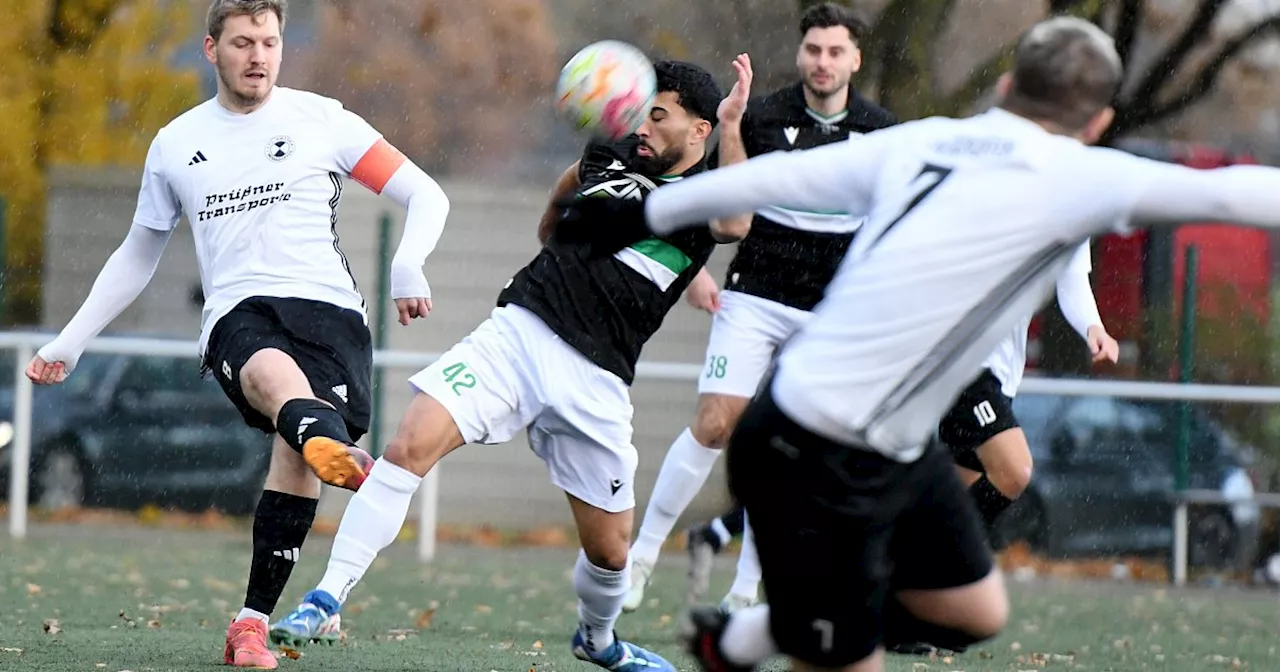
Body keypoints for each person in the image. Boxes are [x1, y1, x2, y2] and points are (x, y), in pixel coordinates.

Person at [560, 15, 1280, 672]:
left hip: (888, 448)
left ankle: (755, 634)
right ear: (1097, 122)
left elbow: (775, 177)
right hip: (812, 441)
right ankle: (765, 632)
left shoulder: (920, 139)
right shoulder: (1082, 171)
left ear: (1005, 85)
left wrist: (638, 210)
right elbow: (1230, 195)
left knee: (974, 611)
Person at [268, 59, 751, 672]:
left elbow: (737, 222)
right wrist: (553, 238)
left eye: (659, 117)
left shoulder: (705, 193)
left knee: (611, 553)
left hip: (597, 378)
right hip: (518, 332)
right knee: (407, 448)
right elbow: (566, 187)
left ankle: (598, 639)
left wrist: (735, 124)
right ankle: (324, 600)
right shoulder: (610, 150)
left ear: (700, 130)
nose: (643, 128)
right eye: (640, 112)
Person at [26, 1, 450, 668]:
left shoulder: (323, 120)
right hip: (238, 311)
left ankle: (249, 625)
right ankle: (322, 440)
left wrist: (407, 264)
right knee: (269, 378)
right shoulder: (174, 143)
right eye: (243, 42)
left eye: (270, 42)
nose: (258, 55)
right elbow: (140, 252)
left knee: (297, 452)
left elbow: (426, 194)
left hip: (331, 315)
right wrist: (70, 340)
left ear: (282, 48)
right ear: (211, 49)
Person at [624, 1, 897, 616]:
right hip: (756, 296)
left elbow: (892, 224)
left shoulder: (883, 132)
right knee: (717, 424)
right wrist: (731, 127)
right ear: (801, 53)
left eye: (835, 51)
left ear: (855, 58)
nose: (822, 62)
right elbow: (722, 204)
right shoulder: (763, 115)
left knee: (790, 448)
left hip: (833, 314)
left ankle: (747, 591)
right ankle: (642, 556)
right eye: (813, 49)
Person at [941, 240, 1119, 548]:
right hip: (965, 360)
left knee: (959, 496)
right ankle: (934, 560)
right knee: (1014, 470)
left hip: (1001, 374)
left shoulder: (1075, 204)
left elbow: (1072, 277)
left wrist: (1093, 326)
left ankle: (921, 574)